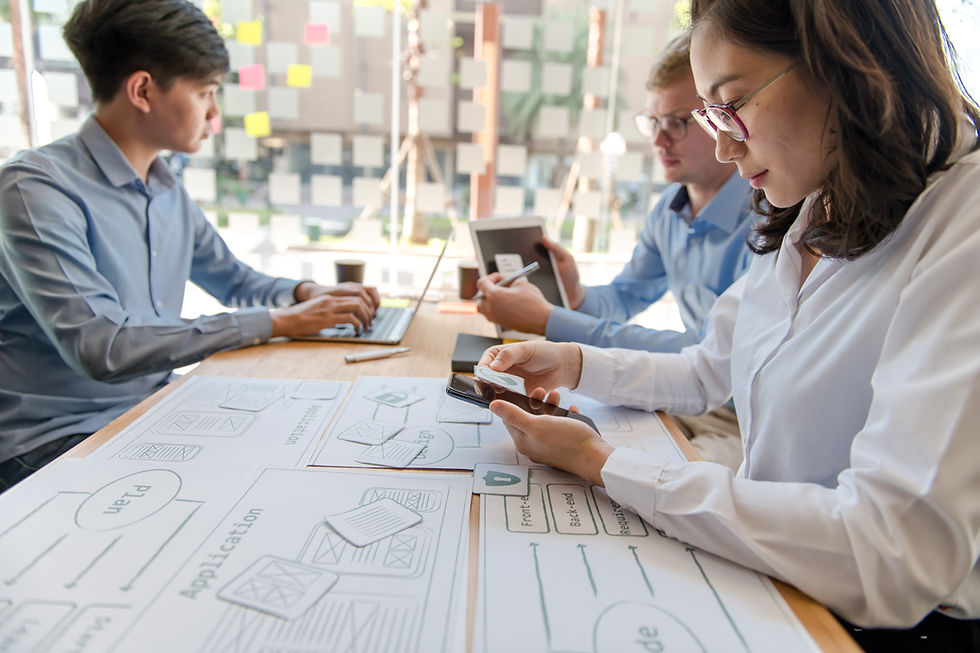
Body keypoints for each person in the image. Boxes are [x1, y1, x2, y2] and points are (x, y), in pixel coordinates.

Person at [479, 0, 980, 648]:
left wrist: (607, 465)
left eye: (730, 103)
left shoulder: (960, 227)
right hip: (781, 575)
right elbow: (709, 365)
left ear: (845, 63)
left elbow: (893, 549)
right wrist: (574, 362)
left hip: (880, 626)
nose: (720, 143)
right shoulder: (817, 198)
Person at [0, 0, 379, 492]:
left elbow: (234, 280)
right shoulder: (33, 189)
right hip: (50, 442)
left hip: (149, 408)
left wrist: (304, 293)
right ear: (142, 90)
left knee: (306, 455)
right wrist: (278, 322)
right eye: (205, 92)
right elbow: (102, 347)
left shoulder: (164, 185)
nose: (215, 113)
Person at [476, 32, 755, 469]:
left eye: (680, 121)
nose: (661, 140)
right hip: (685, 394)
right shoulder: (670, 208)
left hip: (740, 416)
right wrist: (577, 295)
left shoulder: (767, 218)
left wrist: (551, 320)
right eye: (654, 122)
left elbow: (708, 352)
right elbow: (627, 295)